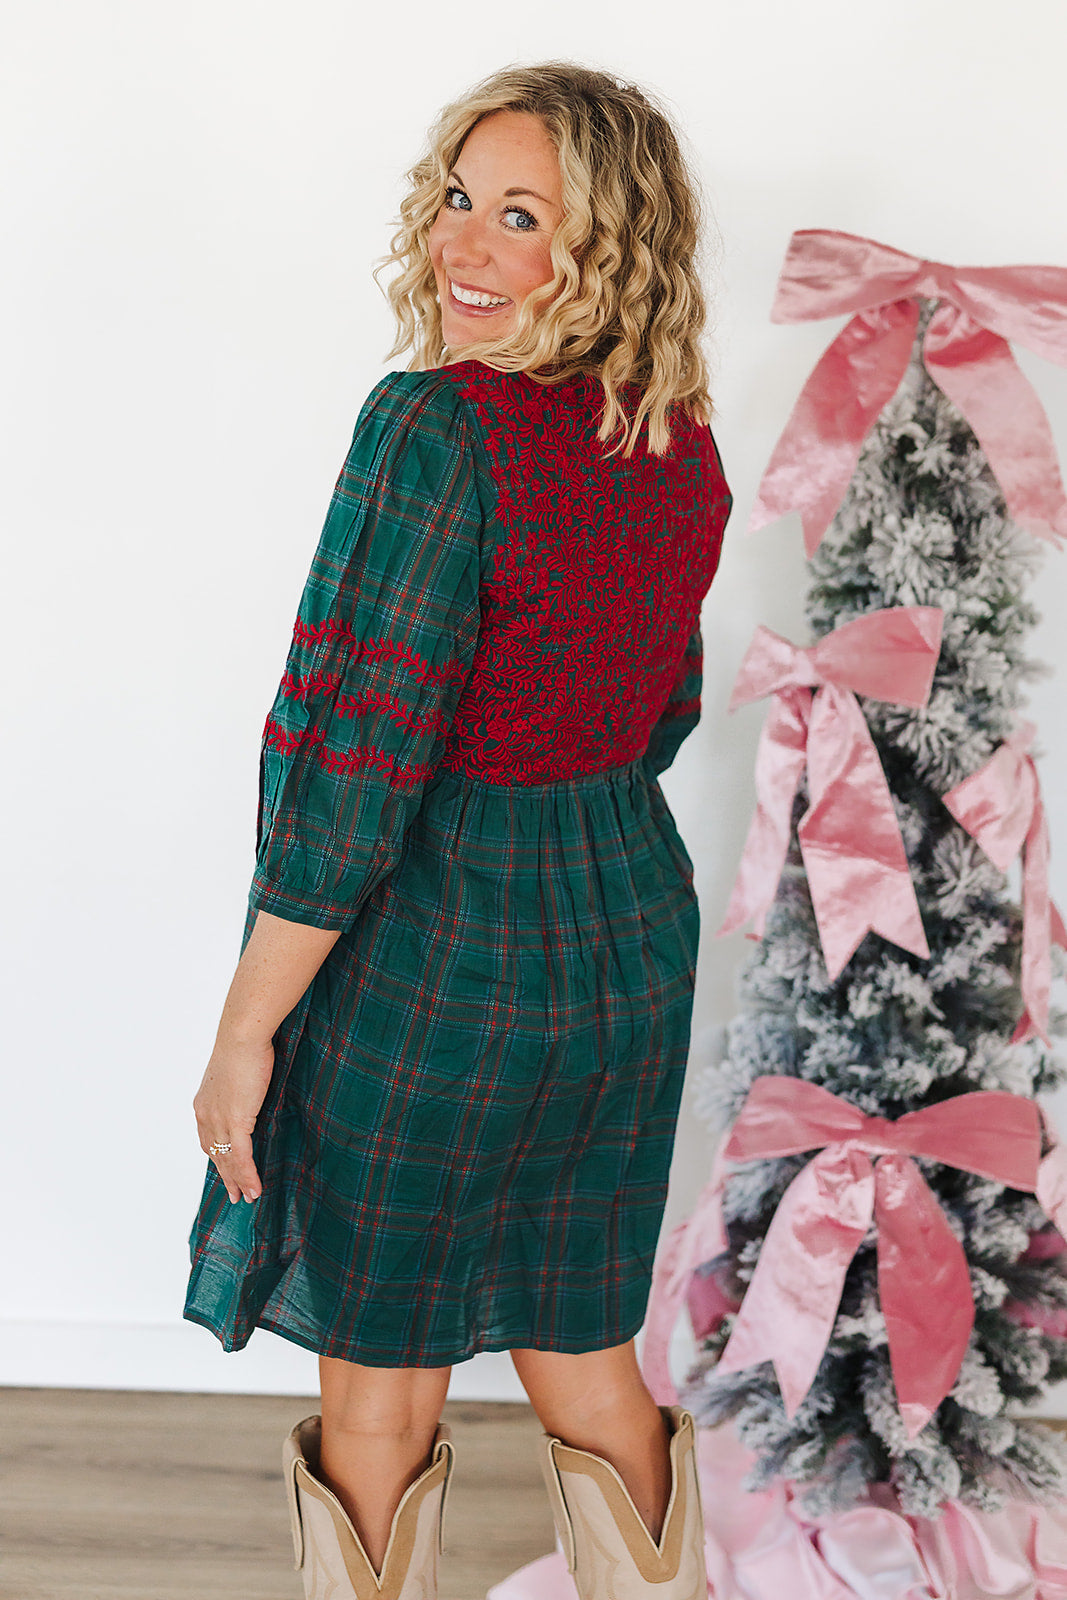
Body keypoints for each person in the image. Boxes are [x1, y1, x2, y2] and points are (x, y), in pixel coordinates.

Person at [184, 59, 731, 1600]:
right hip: (627, 937)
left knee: (380, 1379)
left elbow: (352, 765)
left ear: (604, 245)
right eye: (456, 198)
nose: (462, 244)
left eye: (519, 216)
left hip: (442, 956)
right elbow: (663, 712)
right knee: (588, 1348)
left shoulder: (433, 427)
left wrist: (244, 1032)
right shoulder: (675, 439)